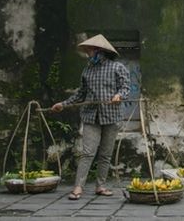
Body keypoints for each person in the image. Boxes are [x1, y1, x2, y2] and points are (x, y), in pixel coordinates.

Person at [51, 34, 130, 200]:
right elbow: (81, 93)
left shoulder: (117, 68)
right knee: (87, 153)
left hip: (112, 116)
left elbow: (125, 87)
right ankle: (78, 187)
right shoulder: (87, 70)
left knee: (105, 154)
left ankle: (100, 186)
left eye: (89, 50)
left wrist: (119, 95)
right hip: (90, 116)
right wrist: (63, 104)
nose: (87, 53)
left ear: (98, 51)